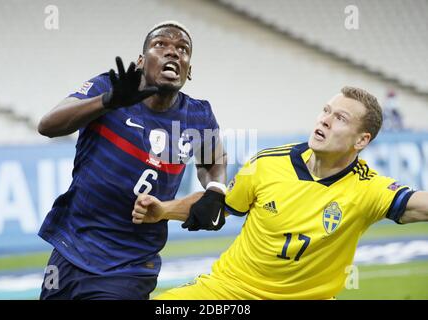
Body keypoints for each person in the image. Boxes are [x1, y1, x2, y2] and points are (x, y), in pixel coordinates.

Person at [132, 86, 428, 300]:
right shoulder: (266, 163)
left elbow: (419, 205)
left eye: (340, 118)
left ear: (362, 140)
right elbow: (217, 207)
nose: (324, 119)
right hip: (230, 292)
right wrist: (164, 210)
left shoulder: (368, 188)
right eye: (326, 111)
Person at [37, 21, 227, 300]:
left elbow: (214, 160)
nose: (173, 52)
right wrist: (107, 101)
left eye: (182, 49)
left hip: (130, 265)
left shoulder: (198, 115)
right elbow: (48, 126)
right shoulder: (107, 89)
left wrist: (215, 189)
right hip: (71, 248)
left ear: (189, 70)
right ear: (141, 61)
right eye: (160, 45)